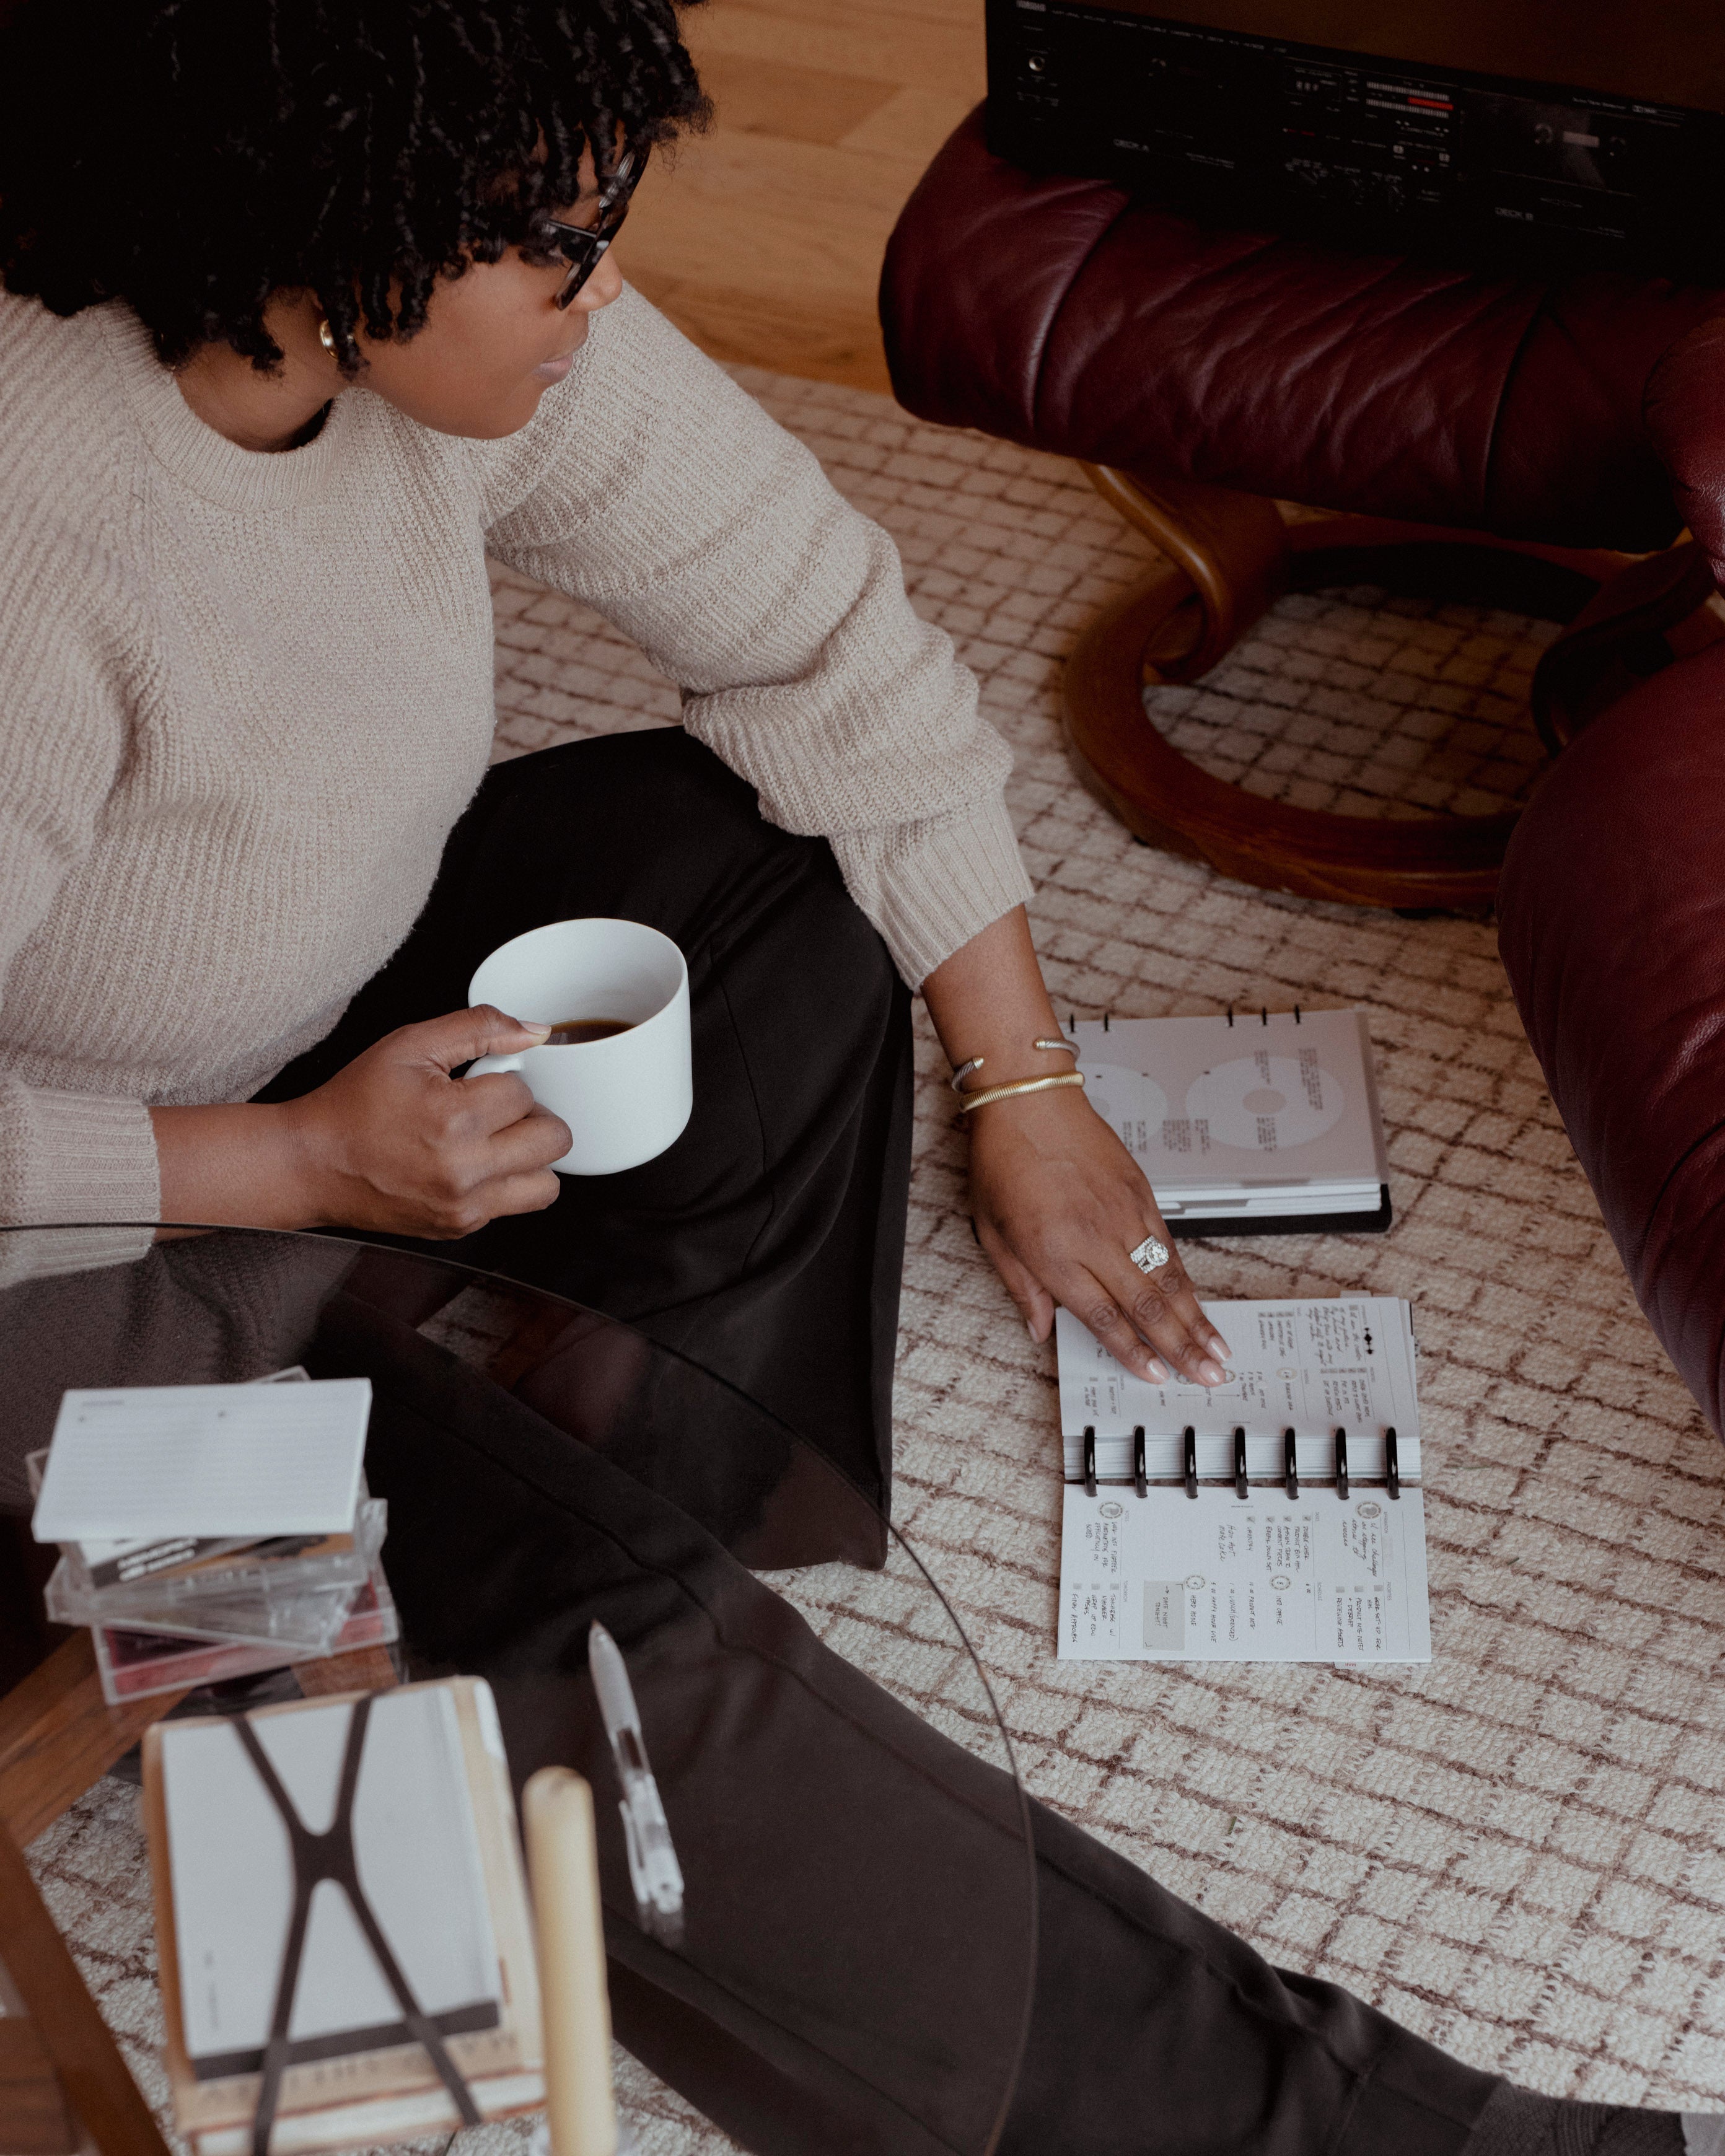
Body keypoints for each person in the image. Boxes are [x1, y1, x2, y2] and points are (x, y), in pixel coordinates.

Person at [0, 4, 1697, 2150]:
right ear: (332, 225)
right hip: (55, 1253)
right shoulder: (33, 518)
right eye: (552, 237)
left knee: (768, 851)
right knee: (579, 1635)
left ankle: (616, 1490)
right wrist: (284, 1161)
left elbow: (820, 622)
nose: (605, 287)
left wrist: (1026, 1087)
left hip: (268, 1053)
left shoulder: (416, 338)